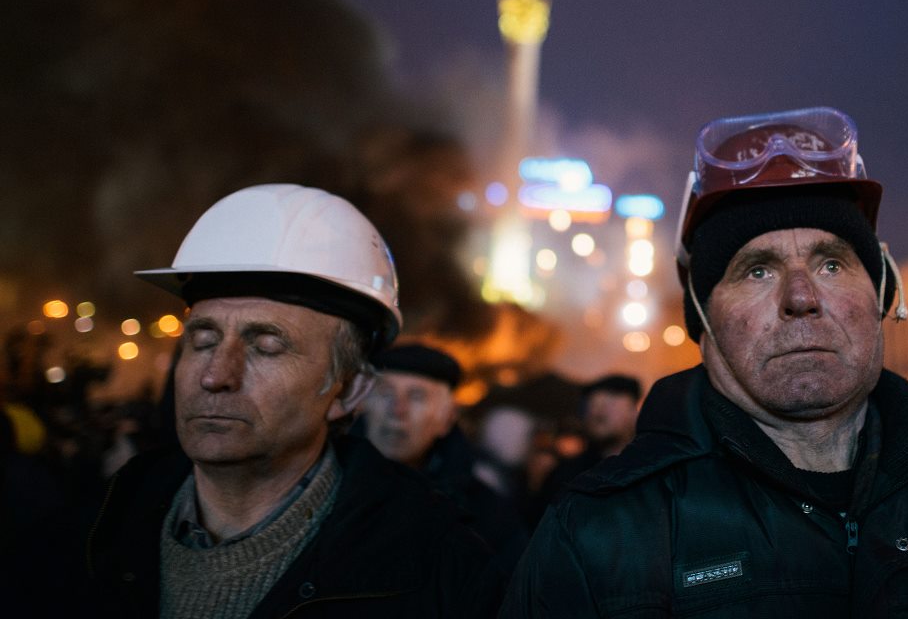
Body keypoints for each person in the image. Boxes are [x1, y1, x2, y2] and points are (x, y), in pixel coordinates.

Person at [501, 107, 908, 617]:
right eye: (758, 270)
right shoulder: (594, 541)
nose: (801, 298)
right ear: (702, 317)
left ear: (881, 294)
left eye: (831, 264)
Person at [86, 184, 501, 618]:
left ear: (348, 390)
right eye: (204, 340)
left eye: (267, 346)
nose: (215, 375)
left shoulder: (442, 572)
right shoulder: (91, 531)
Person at [360, 341, 528, 575]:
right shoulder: (325, 489)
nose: (397, 410)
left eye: (416, 397)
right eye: (385, 392)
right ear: (361, 405)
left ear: (447, 418)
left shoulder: (487, 517)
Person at [531, 374, 641, 519]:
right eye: (592, 404)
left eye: (611, 403)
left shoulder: (649, 471)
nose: (598, 411)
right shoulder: (567, 474)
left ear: (635, 411)